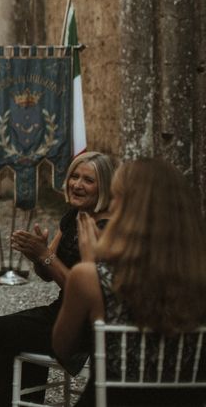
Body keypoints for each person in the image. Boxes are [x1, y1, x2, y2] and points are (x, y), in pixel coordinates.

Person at [0, 151, 116, 407]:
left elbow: (87, 291)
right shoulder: (73, 216)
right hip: (59, 312)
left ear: (104, 187)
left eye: (88, 180)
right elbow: (46, 275)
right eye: (74, 176)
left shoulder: (107, 227)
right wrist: (38, 255)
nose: (77, 184)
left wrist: (45, 255)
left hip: (82, 325)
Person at [52, 158, 206, 406]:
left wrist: (91, 264)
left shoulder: (89, 278)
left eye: (115, 197)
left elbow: (63, 349)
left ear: (129, 209)